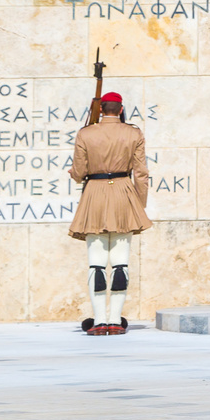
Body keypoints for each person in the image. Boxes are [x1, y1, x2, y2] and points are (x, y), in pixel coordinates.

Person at [68, 92, 151, 336]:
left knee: (96, 263)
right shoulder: (133, 133)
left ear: (101, 109)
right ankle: (115, 320)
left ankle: (99, 321)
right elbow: (141, 173)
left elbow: (80, 171)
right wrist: (139, 204)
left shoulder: (86, 133)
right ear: (121, 109)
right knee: (121, 262)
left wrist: (73, 173)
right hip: (124, 193)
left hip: (95, 193)